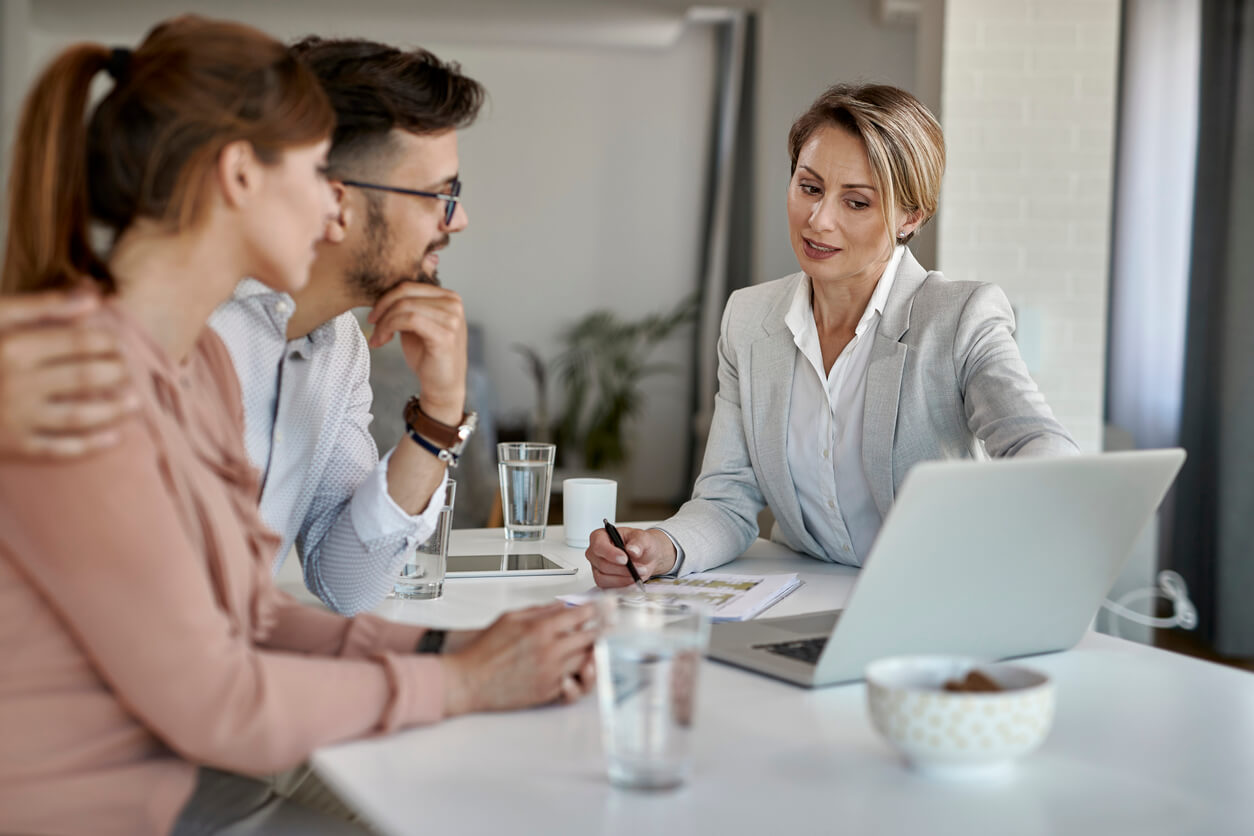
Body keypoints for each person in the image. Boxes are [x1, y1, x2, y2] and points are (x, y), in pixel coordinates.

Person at [0, 17, 594, 836]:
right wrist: (461, 684)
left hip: (182, 756)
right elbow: (218, 698)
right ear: (243, 175)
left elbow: (260, 613)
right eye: (318, 173)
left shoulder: (196, 365)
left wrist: (445, 654)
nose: (330, 203)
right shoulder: (79, 376)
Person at [0, 37, 483, 616]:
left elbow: (345, 583)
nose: (457, 220)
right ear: (338, 201)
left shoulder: (338, 346)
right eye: (439, 194)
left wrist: (440, 415)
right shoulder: (179, 331)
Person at [585, 82, 1079, 587]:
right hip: (801, 601)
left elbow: (1041, 446)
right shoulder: (748, 319)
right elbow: (726, 500)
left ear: (910, 216)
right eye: (810, 187)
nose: (818, 221)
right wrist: (660, 548)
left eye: (857, 203)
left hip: (928, 601)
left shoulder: (959, 318)